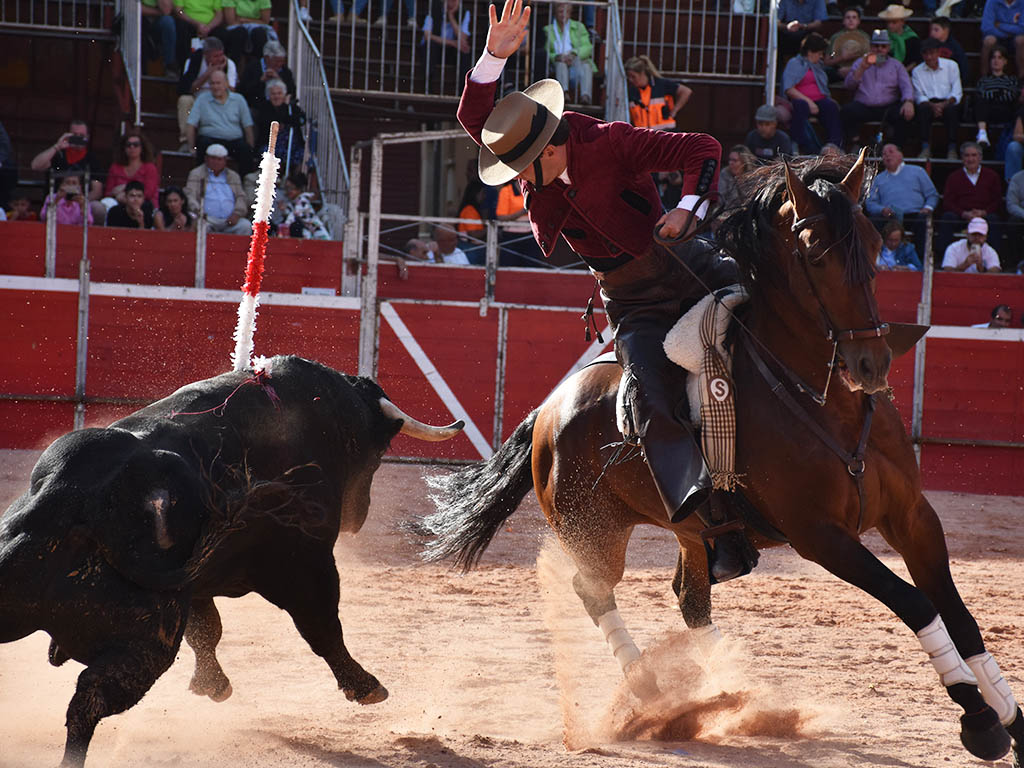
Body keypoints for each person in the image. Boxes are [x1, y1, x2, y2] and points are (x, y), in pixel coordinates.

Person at [457, 0, 749, 580]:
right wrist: (493, 57)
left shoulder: (612, 142)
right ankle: (710, 529)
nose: (516, 181)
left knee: (774, 315)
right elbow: (476, 120)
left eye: (521, 169)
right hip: (631, 301)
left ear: (549, 148)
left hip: (686, 268)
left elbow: (703, 150)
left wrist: (688, 209)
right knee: (649, 402)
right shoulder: (530, 151)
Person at [840, 29, 914, 148]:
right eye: (876, 46)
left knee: (904, 114)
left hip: (887, 107)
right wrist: (862, 69)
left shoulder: (896, 65)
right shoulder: (860, 63)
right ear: (870, 47)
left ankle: (895, 148)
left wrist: (908, 101)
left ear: (888, 48)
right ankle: (855, 143)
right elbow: (848, 85)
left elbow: (906, 85)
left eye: (883, 46)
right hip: (864, 106)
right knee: (847, 111)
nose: (879, 49)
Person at [865, 143, 938, 262]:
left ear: (900, 155)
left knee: (923, 221)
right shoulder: (879, 178)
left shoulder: (917, 171)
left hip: (914, 215)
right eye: (884, 153)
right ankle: (874, 260)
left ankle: (920, 262)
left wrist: (927, 208)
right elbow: (870, 203)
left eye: (891, 152)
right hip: (890, 216)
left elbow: (932, 195)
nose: (887, 155)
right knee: (873, 220)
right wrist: (881, 209)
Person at [30, 119, 106, 224]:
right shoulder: (58, 155)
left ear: (87, 137)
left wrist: (80, 201)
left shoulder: (92, 160)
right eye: (75, 135)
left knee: (98, 208)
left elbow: (97, 190)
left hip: (79, 204)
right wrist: (57, 146)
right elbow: (35, 166)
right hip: (56, 201)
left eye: (81, 135)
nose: (78, 138)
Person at [938, 142, 1004, 257]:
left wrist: (983, 213)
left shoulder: (992, 176)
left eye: (974, 155)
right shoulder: (954, 177)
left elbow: (997, 201)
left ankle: (995, 259)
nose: (970, 159)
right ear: (962, 158)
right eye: (967, 155)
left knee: (994, 219)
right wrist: (964, 213)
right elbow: (948, 202)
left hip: (984, 216)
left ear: (980, 157)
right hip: (962, 216)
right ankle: (944, 258)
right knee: (947, 218)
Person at [185, 69, 256, 175]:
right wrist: (191, 148)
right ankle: (201, 182)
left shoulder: (239, 100)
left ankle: (244, 185)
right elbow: (191, 124)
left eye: (218, 83)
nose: (215, 86)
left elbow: (248, 126)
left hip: (234, 141)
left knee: (246, 151)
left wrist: (251, 147)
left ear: (226, 83)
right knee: (202, 145)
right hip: (209, 139)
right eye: (212, 83)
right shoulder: (202, 99)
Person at [781, 33, 843, 153]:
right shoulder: (795, 63)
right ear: (810, 52)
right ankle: (799, 145)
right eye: (819, 53)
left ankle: (835, 146)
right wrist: (809, 102)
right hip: (800, 99)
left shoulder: (818, 65)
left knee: (831, 106)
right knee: (801, 106)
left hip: (819, 99)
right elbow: (789, 89)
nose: (821, 57)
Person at [177, 37, 238, 152]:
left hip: (219, 99)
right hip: (197, 98)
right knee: (184, 100)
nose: (220, 59)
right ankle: (186, 140)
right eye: (216, 56)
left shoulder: (229, 64)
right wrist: (207, 74)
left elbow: (232, 93)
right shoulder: (193, 61)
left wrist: (221, 74)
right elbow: (187, 89)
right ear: (206, 55)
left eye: (221, 55)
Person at [911, 38, 962, 160]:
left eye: (932, 53)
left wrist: (942, 105)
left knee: (952, 110)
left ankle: (952, 149)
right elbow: (919, 95)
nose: (929, 57)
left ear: (938, 52)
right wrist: (934, 106)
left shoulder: (952, 66)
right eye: (925, 54)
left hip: (948, 102)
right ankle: (925, 148)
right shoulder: (917, 71)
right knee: (923, 110)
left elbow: (957, 92)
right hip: (928, 104)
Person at [185, 143, 252, 235]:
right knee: (200, 225)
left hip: (230, 220)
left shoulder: (233, 176)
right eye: (213, 158)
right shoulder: (196, 174)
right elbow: (190, 195)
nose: (216, 162)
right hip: (206, 219)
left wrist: (237, 214)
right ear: (206, 158)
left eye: (219, 159)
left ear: (225, 161)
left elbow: (241, 197)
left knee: (245, 226)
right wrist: (199, 211)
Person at [544, 2, 596, 105]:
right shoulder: (548, 30)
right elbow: (547, 51)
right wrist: (557, 57)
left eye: (566, 12)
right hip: (558, 63)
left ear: (570, 13)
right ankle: (564, 94)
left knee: (586, 65)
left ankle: (585, 96)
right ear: (555, 13)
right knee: (561, 64)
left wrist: (573, 54)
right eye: (560, 11)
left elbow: (587, 47)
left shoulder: (579, 27)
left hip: (576, 60)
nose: (563, 14)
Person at [625, 55, 692, 130]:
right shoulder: (631, 91)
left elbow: (686, 91)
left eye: (633, 76)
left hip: (667, 133)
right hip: (645, 136)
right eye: (628, 77)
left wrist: (674, 110)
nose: (630, 80)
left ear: (642, 73)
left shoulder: (661, 84)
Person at [974, 45, 1021, 152]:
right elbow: (981, 94)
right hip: (988, 110)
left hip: (1005, 110)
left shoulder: (1012, 80)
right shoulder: (984, 80)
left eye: (1000, 58)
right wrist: (1000, 93)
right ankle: (982, 134)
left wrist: (993, 94)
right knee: (981, 102)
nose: (996, 61)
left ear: (1005, 61)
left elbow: (1011, 96)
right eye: (993, 57)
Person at [254, 78, 306, 167]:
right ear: (268, 96)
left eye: (279, 93)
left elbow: (301, 120)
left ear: (284, 95)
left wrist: (286, 114)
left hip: (291, 146)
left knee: (302, 154)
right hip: (271, 145)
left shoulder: (292, 108)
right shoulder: (264, 108)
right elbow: (274, 121)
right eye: (273, 94)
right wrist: (285, 110)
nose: (276, 96)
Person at [105, 131, 160, 209]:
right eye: (128, 145)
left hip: (144, 206)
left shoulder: (150, 168)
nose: (132, 147)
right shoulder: (115, 167)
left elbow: (148, 193)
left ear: (142, 148)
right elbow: (109, 193)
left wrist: (124, 188)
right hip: (119, 205)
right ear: (124, 148)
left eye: (136, 145)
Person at [239, 40, 296, 110]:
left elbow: (292, 92)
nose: (280, 64)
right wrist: (261, 81)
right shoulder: (252, 68)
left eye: (282, 61)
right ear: (266, 58)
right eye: (277, 61)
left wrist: (279, 79)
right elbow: (242, 91)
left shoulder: (285, 71)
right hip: (257, 108)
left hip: (280, 108)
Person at [824, 6, 870, 82]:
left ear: (859, 21)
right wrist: (842, 57)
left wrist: (852, 69)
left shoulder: (865, 37)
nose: (851, 20)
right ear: (843, 21)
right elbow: (829, 59)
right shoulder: (836, 38)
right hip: (839, 69)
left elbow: (869, 57)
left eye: (854, 17)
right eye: (848, 18)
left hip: (860, 69)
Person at [280, 172, 330, 239]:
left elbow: (294, 215)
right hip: (308, 230)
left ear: (299, 189)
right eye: (286, 188)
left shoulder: (302, 200)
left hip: (316, 232)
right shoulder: (293, 202)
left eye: (291, 188)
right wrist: (284, 210)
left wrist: (285, 225)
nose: (288, 191)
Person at [980, 0, 1024, 78]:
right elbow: (986, 28)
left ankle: (1022, 78)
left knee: (1021, 40)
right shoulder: (992, 2)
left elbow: (1022, 29)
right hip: (997, 38)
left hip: (1014, 40)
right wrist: (1010, 32)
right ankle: (984, 78)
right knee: (988, 41)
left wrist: (1000, 25)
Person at [142, 0, 179, 77]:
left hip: (157, 23)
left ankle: (169, 66)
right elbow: (135, 8)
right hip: (138, 21)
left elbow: (166, 10)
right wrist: (158, 12)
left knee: (168, 22)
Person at [928, 17, 968, 83]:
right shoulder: (928, 45)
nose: (932, 33)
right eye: (931, 30)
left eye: (936, 30)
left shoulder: (955, 47)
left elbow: (963, 66)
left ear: (946, 30)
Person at [717, 144, 757, 209]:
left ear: (744, 163)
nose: (731, 163)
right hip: (727, 211)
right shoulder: (725, 173)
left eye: (734, 160)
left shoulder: (753, 176)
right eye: (730, 160)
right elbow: (721, 198)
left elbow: (753, 199)